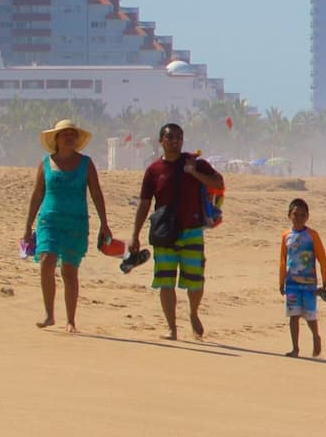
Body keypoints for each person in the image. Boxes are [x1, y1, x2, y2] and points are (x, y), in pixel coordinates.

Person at [130, 123, 225, 341]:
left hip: (192, 230)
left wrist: (194, 173)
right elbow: (144, 204)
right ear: (160, 141)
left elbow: (218, 183)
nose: (175, 141)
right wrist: (135, 234)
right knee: (165, 281)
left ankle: (193, 313)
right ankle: (172, 327)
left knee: (196, 280)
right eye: (170, 137)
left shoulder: (195, 163)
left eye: (179, 137)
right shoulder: (153, 170)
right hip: (165, 232)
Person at [21, 120, 112, 333]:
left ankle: (71, 320)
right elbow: (37, 195)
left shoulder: (86, 163)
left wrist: (104, 224)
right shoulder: (45, 163)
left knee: (70, 271)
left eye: (73, 134)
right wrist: (27, 226)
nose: (69, 137)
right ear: (56, 139)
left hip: (76, 223)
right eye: (65, 134)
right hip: (48, 220)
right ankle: (49, 314)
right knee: (46, 262)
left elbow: (96, 193)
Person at [278, 199, 326, 357]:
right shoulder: (286, 236)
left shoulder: (312, 235)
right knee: (293, 315)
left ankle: (316, 337)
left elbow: (322, 258)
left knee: (309, 315)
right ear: (289, 215)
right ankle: (295, 348)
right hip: (292, 283)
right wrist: (281, 281)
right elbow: (282, 259)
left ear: (307, 217)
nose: (299, 217)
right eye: (295, 214)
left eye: (303, 215)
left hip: (309, 283)